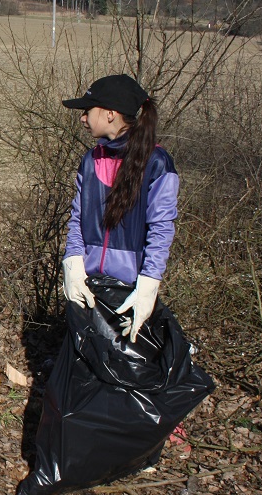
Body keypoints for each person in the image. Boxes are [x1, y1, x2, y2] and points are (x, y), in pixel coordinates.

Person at [61, 73, 179, 342]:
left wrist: (149, 283)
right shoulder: (91, 160)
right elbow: (77, 218)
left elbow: (161, 229)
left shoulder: (157, 163)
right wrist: (73, 261)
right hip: (90, 286)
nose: (83, 118)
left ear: (110, 114)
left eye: (87, 110)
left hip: (130, 290)